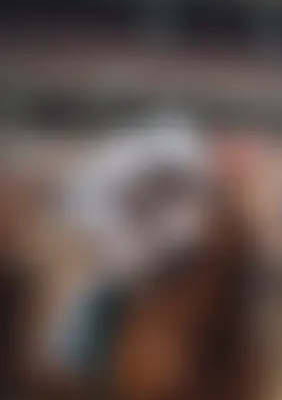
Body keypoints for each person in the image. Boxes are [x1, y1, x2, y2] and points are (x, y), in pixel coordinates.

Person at [48, 114, 211, 385]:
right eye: (166, 174)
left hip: (152, 239)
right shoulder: (110, 175)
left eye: (176, 176)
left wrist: (178, 249)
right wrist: (136, 259)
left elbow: (187, 225)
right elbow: (102, 223)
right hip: (110, 231)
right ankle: (79, 351)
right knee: (109, 288)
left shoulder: (188, 179)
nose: (171, 181)